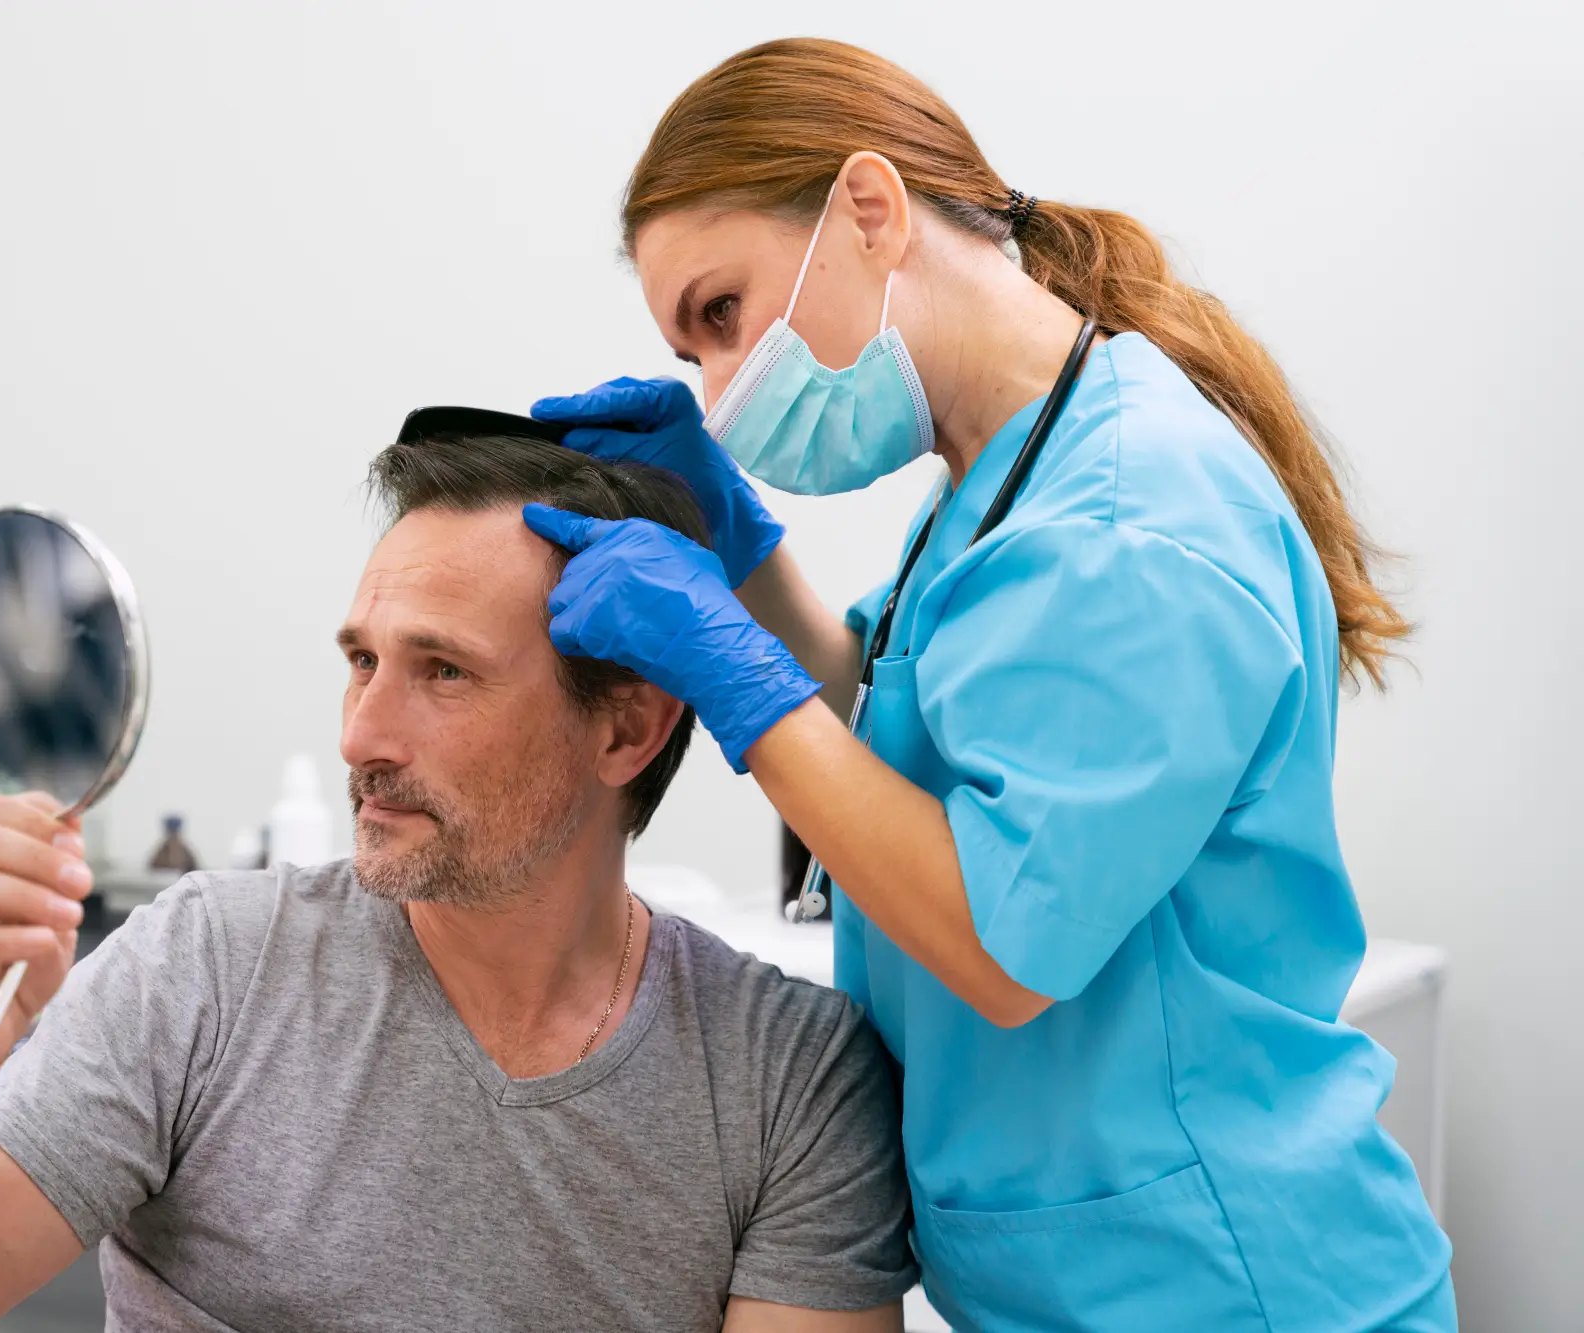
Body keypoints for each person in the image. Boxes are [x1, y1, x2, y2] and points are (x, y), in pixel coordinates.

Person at [524, 36, 1453, 1333]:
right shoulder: (1001, 472)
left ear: (867, 210)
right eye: (693, 359)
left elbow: (1003, 941)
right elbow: (907, 741)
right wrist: (741, 557)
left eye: (723, 319)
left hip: (1229, 1288)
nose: (725, 393)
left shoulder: (1135, 521)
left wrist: (732, 681)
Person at [0, 421, 918, 1333]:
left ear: (624, 729)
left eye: (443, 672)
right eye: (361, 661)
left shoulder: (786, 1082)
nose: (364, 733)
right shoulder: (209, 966)